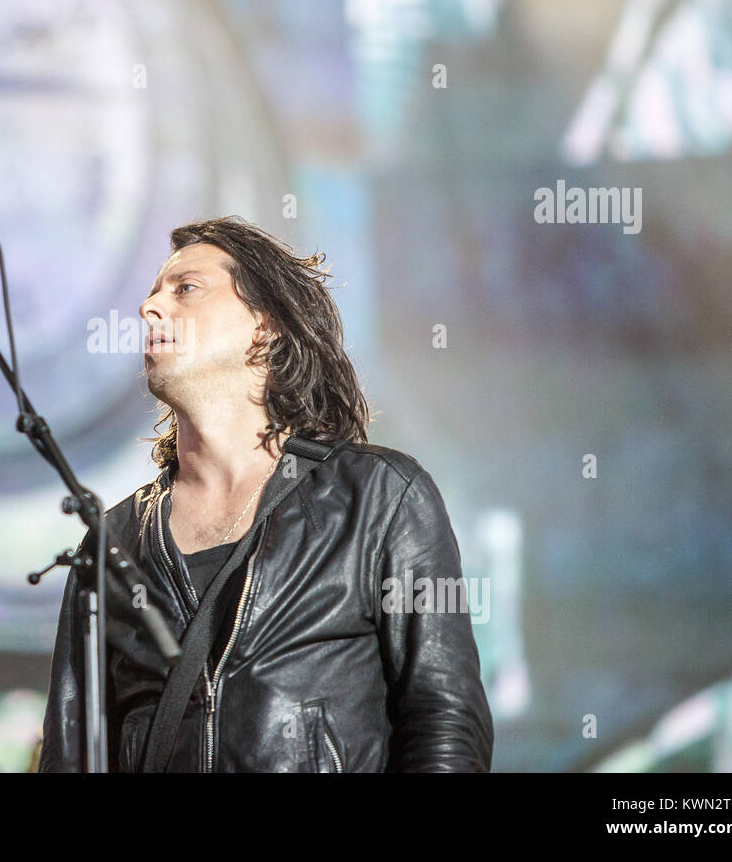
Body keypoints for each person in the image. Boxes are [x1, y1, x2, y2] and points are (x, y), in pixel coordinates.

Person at [40, 216, 493, 772]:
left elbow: (443, 719)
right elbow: (71, 755)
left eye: (186, 289)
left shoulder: (379, 499)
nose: (149, 308)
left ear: (265, 325)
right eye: (154, 293)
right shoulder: (112, 543)